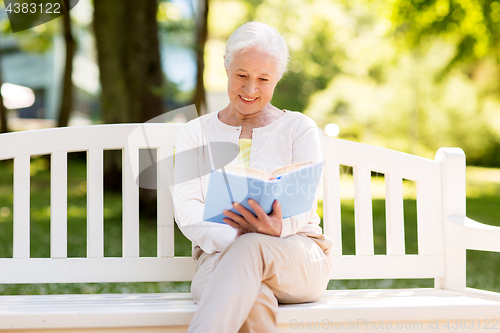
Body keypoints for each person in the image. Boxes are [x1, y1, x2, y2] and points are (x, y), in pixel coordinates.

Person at [173, 21, 333, 333]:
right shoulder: (196, 132)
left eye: (263, 79)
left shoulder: (299, 128)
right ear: (225, 65)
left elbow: (303, 205)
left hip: (295, 255)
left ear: (278, 79)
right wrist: (236, 236)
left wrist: (274, 228)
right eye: (242, 76)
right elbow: (187, 208)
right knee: (253, 293)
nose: (250, 89)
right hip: (217, 257)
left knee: (251, 249)